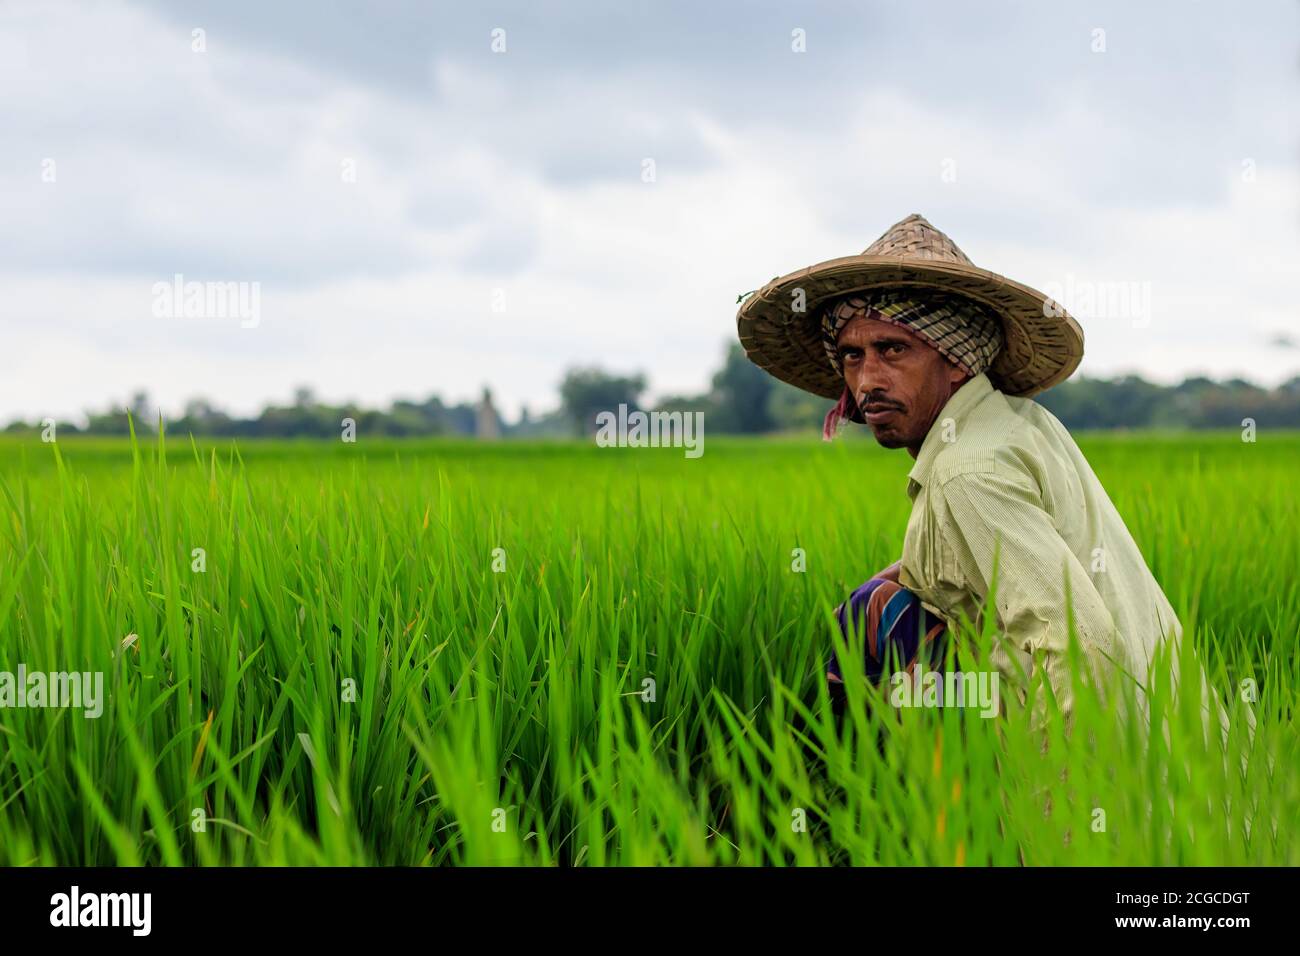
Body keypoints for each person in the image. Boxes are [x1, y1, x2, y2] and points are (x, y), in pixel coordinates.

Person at [736, 213, 1222, 736]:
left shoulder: (969, 470)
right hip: (1185, 745)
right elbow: (982, 559)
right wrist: (891, 582)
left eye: (893, 349)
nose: (867, 380)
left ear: (957, 359)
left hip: (1117, 771)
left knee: (874, 621)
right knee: (871, 609)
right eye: (853, 356)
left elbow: (1079, 647)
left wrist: (1061, 808)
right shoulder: (1012, 424)